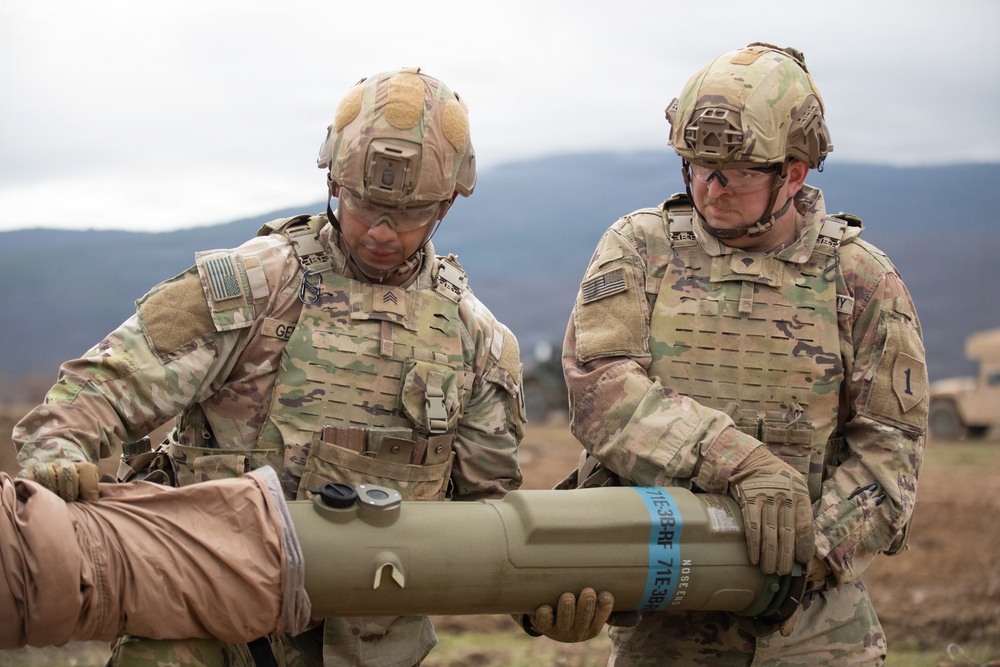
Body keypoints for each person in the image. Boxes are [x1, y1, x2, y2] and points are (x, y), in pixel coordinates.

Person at [13, 67, 526, 667]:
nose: (383, 231)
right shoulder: (254, 285)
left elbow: (491, 519)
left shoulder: (476, 339)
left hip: (366, 646)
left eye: (410, 212)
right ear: (334, 182)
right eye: (364, 204)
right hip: (201, 624)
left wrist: (548, 603)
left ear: (447, 205)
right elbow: (101, 389)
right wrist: (60, 453)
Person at [559, 43, 928, 665]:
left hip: (814, 625)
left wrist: (802, 558)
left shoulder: (860, 279)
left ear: (794, 173)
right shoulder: (639, 249)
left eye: (735, 173)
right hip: (667, 619)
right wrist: (740, 463)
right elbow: (602, 392)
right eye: (696, 167)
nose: (711, 189)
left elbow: (890, 448)